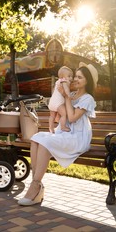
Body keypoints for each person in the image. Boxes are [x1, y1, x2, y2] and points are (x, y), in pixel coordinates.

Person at [18, 62, 98, 206]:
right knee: (36, 138)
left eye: (80, 77)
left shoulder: (88, 98)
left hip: (77, 137)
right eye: (76, 76)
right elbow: (59, 112)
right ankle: (35, 184)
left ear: (87, 81)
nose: (75, 79)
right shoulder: (71, 94)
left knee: (45, 143)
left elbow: (72, 118)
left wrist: (66, 97)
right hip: (65, 133)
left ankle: (35, 187)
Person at [48, 66, 73, 133]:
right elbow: (66, 89)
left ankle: (51, 127)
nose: (71, 78)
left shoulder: (57, 82)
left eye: (71, 76)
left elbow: (54, 91)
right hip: (58, 103)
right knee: (64, 114)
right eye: (69, 76)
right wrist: (69, 95)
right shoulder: (64, 81)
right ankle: (63, 127)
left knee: (52, 116)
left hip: (52, 102)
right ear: (62, 77)